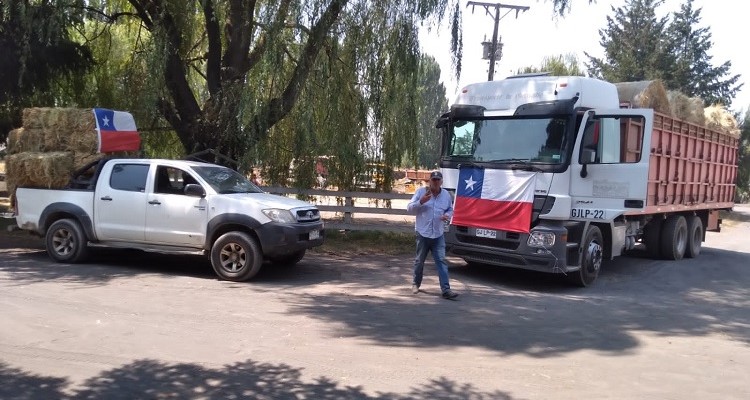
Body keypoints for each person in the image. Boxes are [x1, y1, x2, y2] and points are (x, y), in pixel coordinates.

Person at [406, 171, 459, 300]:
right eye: (433, 180)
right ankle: (415, 283)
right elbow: (409, 208)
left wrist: (448, 216)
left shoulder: (446, 195)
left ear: (441, 182)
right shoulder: (421, 192)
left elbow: (450, 209)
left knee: (441, 261)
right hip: (423, 233)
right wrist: (421, 202)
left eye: (438, 180)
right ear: (430, 181)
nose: (435, 182)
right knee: (419, 261)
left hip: (438, 234)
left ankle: (446, 290)